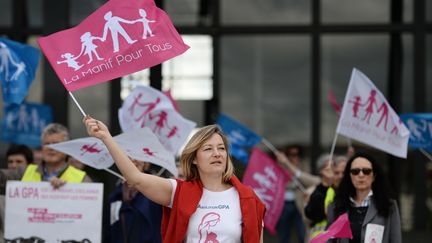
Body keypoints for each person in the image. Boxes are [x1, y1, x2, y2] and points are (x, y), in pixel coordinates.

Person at [84, 116, 265, 242]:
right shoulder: (178, 191)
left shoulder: (248, 198)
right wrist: (106, 138)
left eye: (221, 148)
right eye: (208, 149)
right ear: (194, 158)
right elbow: (135, 179)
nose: (217, 154)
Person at [327, 152, 402, 243]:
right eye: (355, 171)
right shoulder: (337, 207)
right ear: (349, 176)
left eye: (366, 171)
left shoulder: (388, 206)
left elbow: (395, 240)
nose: (361, 175)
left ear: (374, 176)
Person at [0, 123, 92, 188]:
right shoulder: (23, 172)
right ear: (42, 147)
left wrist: (66, 191)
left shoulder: (82, 178)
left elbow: (89, 209)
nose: (51, 148)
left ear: (66, 148)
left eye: (56, 144)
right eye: (47, 144)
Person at [105, 159, 162, 243]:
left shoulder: (156, 191)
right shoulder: (115, 196)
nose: (133, 160)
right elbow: (109, 232)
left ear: (146, 164)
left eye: (138, 156)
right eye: (128, 156)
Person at [275, 145, 321, 243]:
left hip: (299, 203)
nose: (293, 157)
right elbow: (279, 183)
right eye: (290, 154)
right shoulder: (281, 166)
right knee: (283, 233)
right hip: (284, 204)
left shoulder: (304, 165)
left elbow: (307, 180)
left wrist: (292, 171)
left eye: (296, 154)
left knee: (302, 233)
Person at [304, 154, 348, 239]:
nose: (340, 176)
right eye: (336, 172)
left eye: (343, 172)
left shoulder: (348, 189)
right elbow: (310, 214)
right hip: (322, 236)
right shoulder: (321, 190)